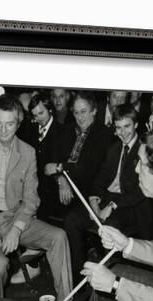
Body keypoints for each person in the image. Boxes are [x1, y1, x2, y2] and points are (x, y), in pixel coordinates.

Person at [0, 94, 73, 301]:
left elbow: (31, 198)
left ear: (18, 124)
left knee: (59, 237)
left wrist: (17, 229)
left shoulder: (27, 153)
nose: (3, 131)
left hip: (14, 218)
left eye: (9, 124)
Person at [81, 129, 153, 301]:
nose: (136, 169)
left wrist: (115, 285)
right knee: (111, 274)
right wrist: (126, 244)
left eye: (141, 163)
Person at [64, 104, 153, 282]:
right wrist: (94, 201)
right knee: (72, 219)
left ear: (136, 125)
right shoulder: (114, 148)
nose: (123, 132)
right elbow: (100, 178)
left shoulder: (145, 149)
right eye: (118, 127)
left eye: (127, 126)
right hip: (108, 199)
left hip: (131, 205)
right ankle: (79, 278)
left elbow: (141, 192)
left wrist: (111, 206)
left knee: (110, 228)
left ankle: (109, 286)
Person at [44, 91, 111, 219]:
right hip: (61, 189)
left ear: (94, 111)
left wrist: (59, 167)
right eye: (76, 112)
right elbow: (49, 164)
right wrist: (61, 179)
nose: (79, 117)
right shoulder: (67, 130)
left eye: (83, 111)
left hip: (86, 193)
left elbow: (88, 168)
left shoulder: (104, 134)